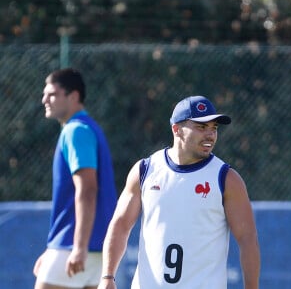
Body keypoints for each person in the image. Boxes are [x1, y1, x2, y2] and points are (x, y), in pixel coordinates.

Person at [97, 95, 260, 289]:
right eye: (201, 127)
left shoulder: (226, 178)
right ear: (177, 129)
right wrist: (107, 277)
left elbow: (247, 238)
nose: (210, 134)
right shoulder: (145, 170)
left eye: (213, 128)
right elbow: (120, 225)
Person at [34, 68, 117, 289]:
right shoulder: (88, 128)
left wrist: (78, 247)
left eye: (52, 94)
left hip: (77, 246)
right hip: (93, 247)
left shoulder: (76, 131)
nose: (45, 99)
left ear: (73, 96)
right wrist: (53, 248)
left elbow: (87, 189)